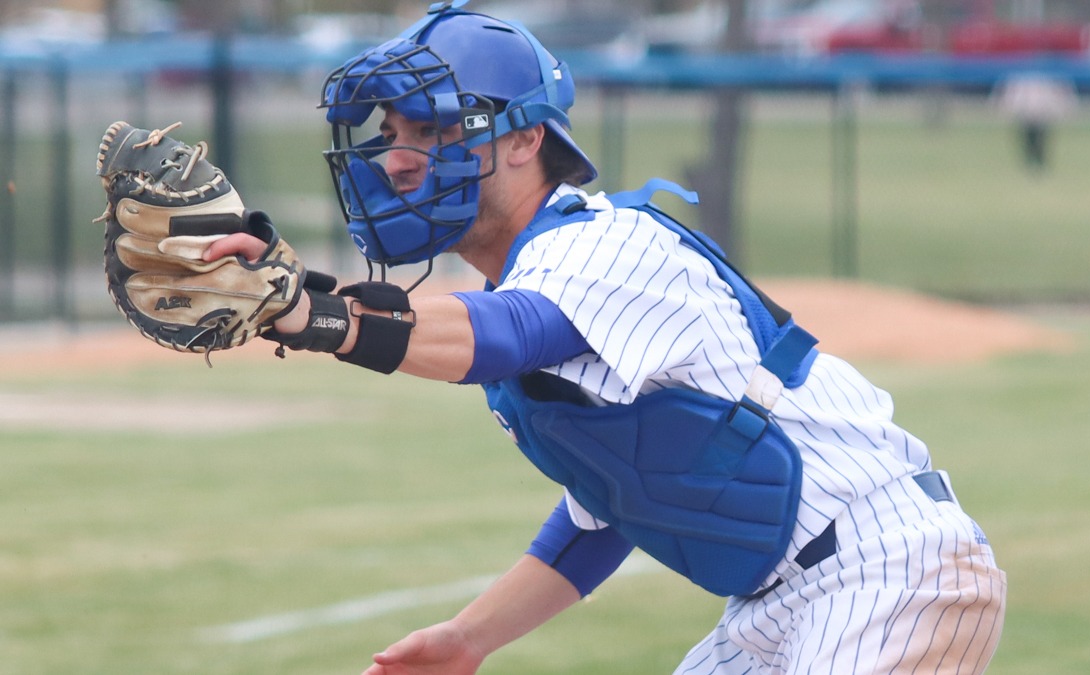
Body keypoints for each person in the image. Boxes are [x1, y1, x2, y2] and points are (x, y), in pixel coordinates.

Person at [205, 2, 1007, 673]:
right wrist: (469, 637)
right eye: (393, 130)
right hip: (780, 605)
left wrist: (308, 309)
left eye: (434, 125)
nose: (400, 158)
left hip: (886, 569)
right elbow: (611, 504)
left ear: (526, 139)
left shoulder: (601, 243)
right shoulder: (535, 276)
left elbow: (506, 335)